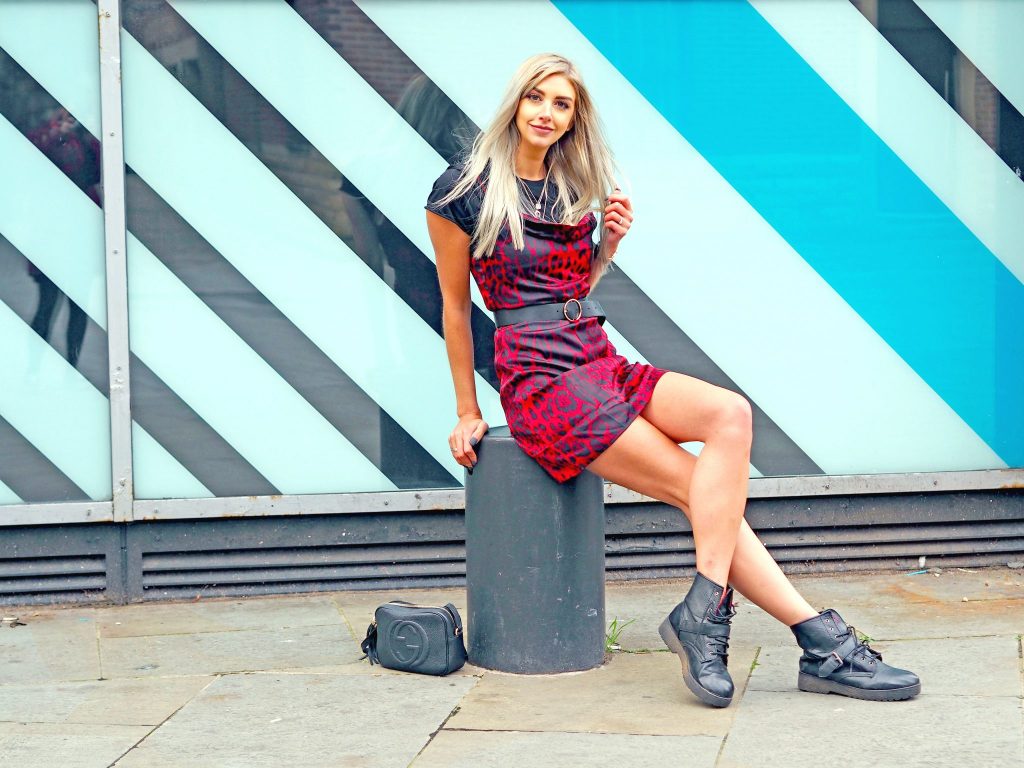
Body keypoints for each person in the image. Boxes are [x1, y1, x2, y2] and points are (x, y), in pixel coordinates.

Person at [425, 53, 920, 707]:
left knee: (730, 415)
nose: (546, 113)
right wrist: (467, 408)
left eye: (562, 104)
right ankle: (820, 641)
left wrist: (606, 251)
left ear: (575, 118)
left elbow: (567, 290)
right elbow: (458, 308)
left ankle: (711, 612)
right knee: (699, 490)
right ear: (515, 103)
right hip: (541, 381)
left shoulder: (572, 184)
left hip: (594, 354)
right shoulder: (464, 190)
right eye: (536, 98)